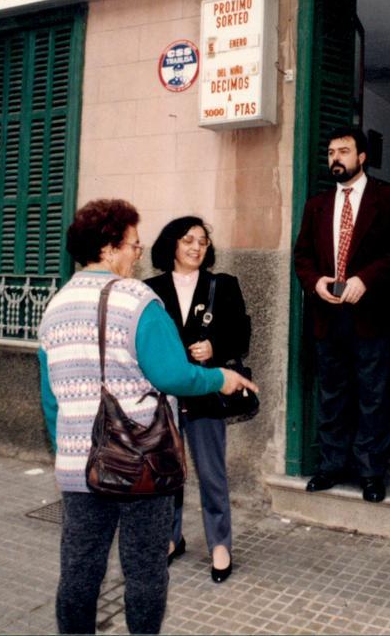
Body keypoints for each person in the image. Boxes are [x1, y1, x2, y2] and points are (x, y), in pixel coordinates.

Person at [37, 199, 257, 634]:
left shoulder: (55, 305)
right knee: (144, 572)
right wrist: (221, 379)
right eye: (134, 246)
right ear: (110, 247)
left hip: (80, 466)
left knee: (80, 571)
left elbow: (50, 399)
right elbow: (172, 374)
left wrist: (72, 447)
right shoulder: (139, 299)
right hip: (143, 462)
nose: (138, 254)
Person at [293, 125, 390, 503]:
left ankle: (370, 472)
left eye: (343, 151)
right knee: (332, 395)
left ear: (362, 157)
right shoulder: (317, 206)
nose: (335, 159)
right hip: (328, 314)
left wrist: (366, 279)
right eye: (331, 152)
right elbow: (303, 256)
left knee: (373, 396)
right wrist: (315, 282)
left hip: (371, 313)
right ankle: (331, 466)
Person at [145, 216, 250, 584]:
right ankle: (170, 537)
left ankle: (220, 544)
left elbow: (241, 333)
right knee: (166, 472)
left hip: (206, 392)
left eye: (203, 242)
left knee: (211, 472)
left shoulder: (223, 285)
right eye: (188, 240)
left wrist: (215, 347)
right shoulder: (149, 289)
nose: (195, 247)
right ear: (172, 244)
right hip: (164, 395)